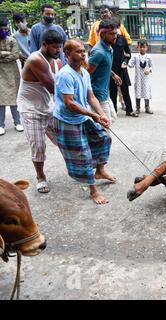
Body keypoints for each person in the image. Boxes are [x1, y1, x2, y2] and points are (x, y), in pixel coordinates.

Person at [54, 40, 115, 205]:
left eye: (83, 51)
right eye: (78, 51)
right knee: (84, 156)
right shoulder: (65, 74)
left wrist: (102, 115)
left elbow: (91, 97)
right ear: (67, 54)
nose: (83, 54)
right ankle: (93, 190)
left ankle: (100, 171)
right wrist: (93, 115)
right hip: (67, 120)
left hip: (81, 117)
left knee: (103, 138)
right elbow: (70, 103)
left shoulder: (84, 72)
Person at [17, 30, 63, 193]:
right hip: (30, 110)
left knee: (64, 140)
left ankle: (77, 169)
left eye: (60, 47)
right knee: (38, 146)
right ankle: (40, 177)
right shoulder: (36, 59)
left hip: (47, 107)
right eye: (55, 47)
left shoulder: (56, 62)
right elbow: (54, 89)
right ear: (44, 45)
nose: (59, 50)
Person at [87, 19, 121, 125]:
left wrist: (113, 74)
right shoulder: (98, 52)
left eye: (116, 33)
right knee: (105, 127)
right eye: (111, 34)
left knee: (112, 119)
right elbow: (86, 74)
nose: (115, 36)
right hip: (98, 96)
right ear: (102, 34)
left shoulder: (108, 47)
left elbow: (102, 66)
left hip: (105, 94)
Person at [0, 17, 23, 137]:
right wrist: (5, 53)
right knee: (1, 100)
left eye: (5, 28)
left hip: (12, 72)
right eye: (2, 29)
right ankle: (1, 125)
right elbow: (11, 54)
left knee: (14, 98)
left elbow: (15, 55)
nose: (4, 31)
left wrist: (3, 57)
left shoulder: (12, 40)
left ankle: (17, 122)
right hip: (0, 73)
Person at [109, 19, 135, 117]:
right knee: (112, 92)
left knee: (125, 90)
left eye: (117, 28)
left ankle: (129, 110)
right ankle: (113, 112)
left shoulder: (122, 39)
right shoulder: (106, 40)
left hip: (122, 69)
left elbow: (128, 54)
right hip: (111, 69)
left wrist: (125, 62)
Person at [128, 40, 153, 114]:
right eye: (140, 47)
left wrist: (149, 70)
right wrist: (127, 59)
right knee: (138, 92)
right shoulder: (136, 57)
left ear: (147, 48)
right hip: (138, 78)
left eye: (144, 47)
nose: (142, 49)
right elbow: (130, 65)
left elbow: (152, 67)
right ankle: (137, 108)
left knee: (146, 92)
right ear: (137, 47)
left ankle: (147, 107)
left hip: (146, 78)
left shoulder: (148, 57)